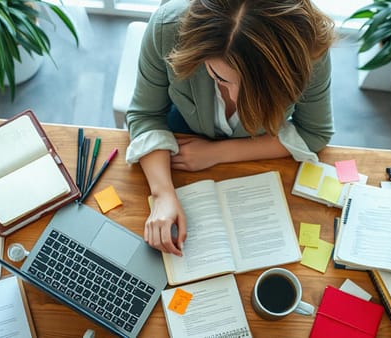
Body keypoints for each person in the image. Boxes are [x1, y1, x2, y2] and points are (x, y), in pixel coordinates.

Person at [125, 0, 335, 256]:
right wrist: (162, 195)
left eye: (256, 89)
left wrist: (218, 153)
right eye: (220, 78)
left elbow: (315, 132)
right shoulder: (166, 29)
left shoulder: (308, 50)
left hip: (251, 149)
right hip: (181, 133)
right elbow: (145, 115)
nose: (235, 99)